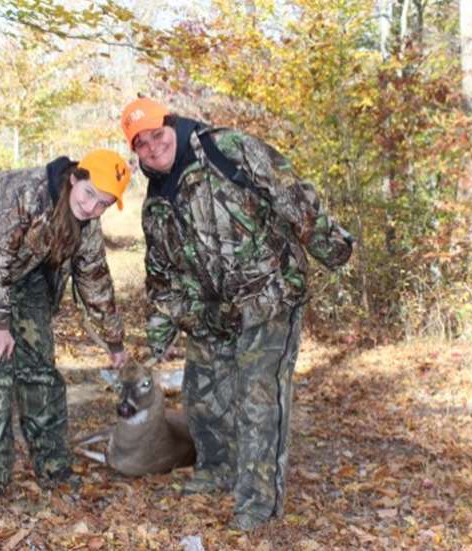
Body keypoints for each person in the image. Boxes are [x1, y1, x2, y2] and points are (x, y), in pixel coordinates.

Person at [120, 97, 354, 530]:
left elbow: (290, 193)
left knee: (258, 398)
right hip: (214, 311)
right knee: (202, 394)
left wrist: (331, 246)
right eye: (142, 145)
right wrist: (156, 344)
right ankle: (217, 470)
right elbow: (163, 276)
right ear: (135, 153)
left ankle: (258, 502)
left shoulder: (227, 149)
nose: (153, 148)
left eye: (157, 136)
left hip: (271, 294)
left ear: (171, 125)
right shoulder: (155, 203)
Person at [0, 149, 132, 503]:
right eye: (89, 194)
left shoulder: (87, 224)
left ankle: (53, 468)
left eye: (103, 204)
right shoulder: (25, 192)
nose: (92, 208)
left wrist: (115, 342)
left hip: (27, 274)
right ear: (76, 178)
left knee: (41, 371)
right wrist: (0, 324)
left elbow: (94, 281)